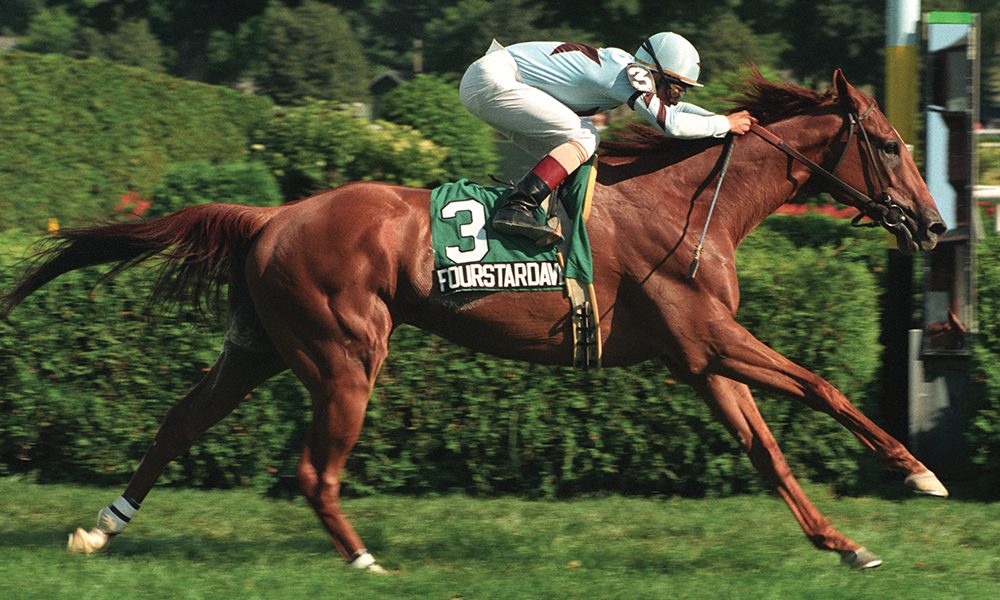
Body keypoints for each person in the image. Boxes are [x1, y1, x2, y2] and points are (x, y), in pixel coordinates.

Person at [460, 32, 755, 243]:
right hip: (493, 79)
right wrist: (724, 124)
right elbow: (672, 125)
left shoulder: (628, 72)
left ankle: (535, 209)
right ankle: (517, 207)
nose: (678, 97)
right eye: (677, 88)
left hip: (489, 81)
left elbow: (676, 112)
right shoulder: (631, 73)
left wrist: (722, 119)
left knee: (571, 152)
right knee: (585, 135)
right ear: (657, 73)